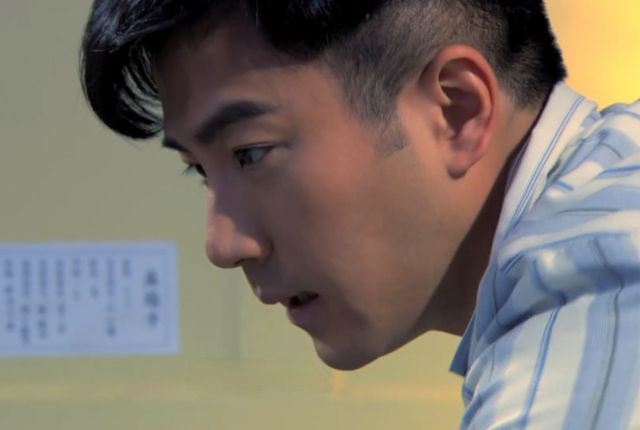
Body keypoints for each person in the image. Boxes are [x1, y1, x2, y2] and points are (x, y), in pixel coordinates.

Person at [80, 1, 640, 427]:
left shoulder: (597, 295)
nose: (222, 246)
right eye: (201, 170)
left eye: (250, 153)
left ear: (456, 110)